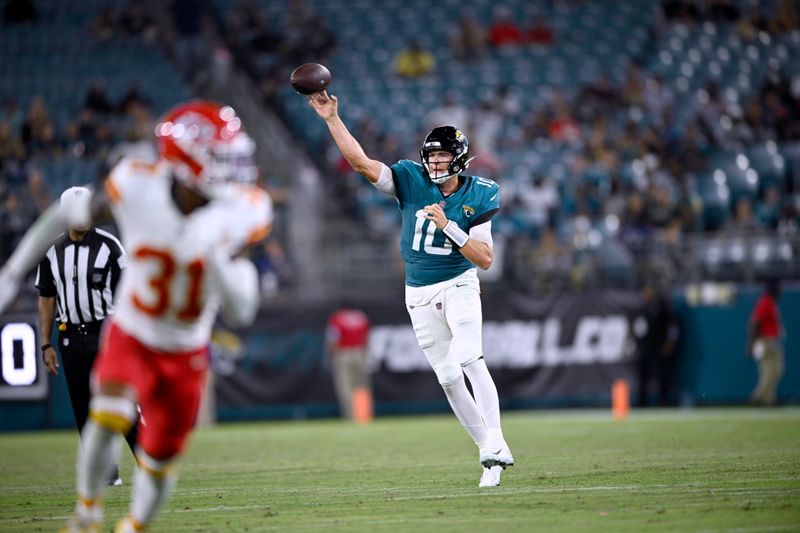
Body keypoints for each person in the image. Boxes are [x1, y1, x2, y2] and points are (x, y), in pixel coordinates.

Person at [0, 100, 273, 532]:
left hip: (186, 346)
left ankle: (134, 526)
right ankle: (87, 511)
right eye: (219, 154)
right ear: (186, 160)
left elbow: (242, 309)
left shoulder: (241, 209)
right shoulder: (137, 183)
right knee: (107, 413)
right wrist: (14, 271)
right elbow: (67, 212)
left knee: (162, 458)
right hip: (133, 329)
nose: (232, 166)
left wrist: (216, 256)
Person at [308, 90, 513, 488]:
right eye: (431, 156)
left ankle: (497, 439)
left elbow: (484, 258)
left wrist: (448, 225)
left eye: (442, 157)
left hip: (458, 283)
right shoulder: (409, 178)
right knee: (450, 378)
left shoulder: (480, 192)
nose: (434, 162)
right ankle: (487, 455)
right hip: (417, 292)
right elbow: (361, 164)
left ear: (460, 160)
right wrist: (332, 118)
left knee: (471, 356)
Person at [37, 186, 137, 486]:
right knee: (83, 409)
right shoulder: (51, 251)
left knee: (123, 404)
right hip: (69, 338)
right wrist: (46, 343)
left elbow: (129, 292)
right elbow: (46, 297)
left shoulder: (110, 246)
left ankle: (148, 463)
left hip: (106, 336)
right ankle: (106, 473)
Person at [326, 305, 371, 419]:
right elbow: (367, 337)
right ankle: (363, 414)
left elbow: (334, 339)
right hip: (360, 353)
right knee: (361, 385)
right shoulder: (361, 317)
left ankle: (351, 415)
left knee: (346, 386)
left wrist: (332, 355)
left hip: (344, 353)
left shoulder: (337, 318)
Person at [746, 280, 784, 406]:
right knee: (772, 370)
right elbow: (755, 322)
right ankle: (758, 397)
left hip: (770, 339)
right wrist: (751, 343)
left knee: (771, 370)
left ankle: (768, 399)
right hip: (766, 339)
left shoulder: (770, 302)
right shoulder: (765, 301)